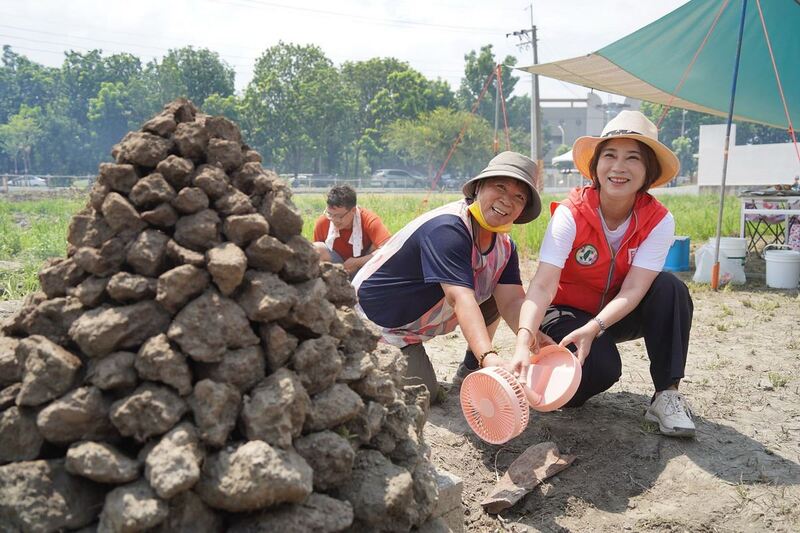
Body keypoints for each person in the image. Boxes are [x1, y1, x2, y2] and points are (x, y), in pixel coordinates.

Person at [511, 111, 696, 437]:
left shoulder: (658, 220)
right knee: (601, 370)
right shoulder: (572, 213)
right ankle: (547, 369)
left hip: (613, 312)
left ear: (648, 170)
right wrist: (523, 340)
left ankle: (667, 395)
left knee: (670, 288)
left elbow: (636, 288)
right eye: (609, 155)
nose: (618, 167)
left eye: (632, 158)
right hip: (565, 311)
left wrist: (596, 327)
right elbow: (542, 285)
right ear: (596, 166)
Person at [353, 151, 552, 400]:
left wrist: (532, 337)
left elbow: (511, 301)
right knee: (426, 395)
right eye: (499, 187)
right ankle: (360, 355)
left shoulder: (504, 247)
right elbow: (460, 298)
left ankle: (472, 368)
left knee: (494, 290)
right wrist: (489, 356)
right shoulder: (448, 228)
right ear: (478, 187)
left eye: (519, 197)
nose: (507, 200)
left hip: (413, 327)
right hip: (376, 324)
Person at [312, 185, 391, 275]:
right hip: (338, 267)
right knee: (317, 248)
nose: (334, 220)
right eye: (330, 214)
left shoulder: (369, 220)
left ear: (353, 211)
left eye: (339, 216)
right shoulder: (323, 222)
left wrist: (357, 262)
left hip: (364, 267)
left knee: (378, 247)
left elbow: (388, 249)